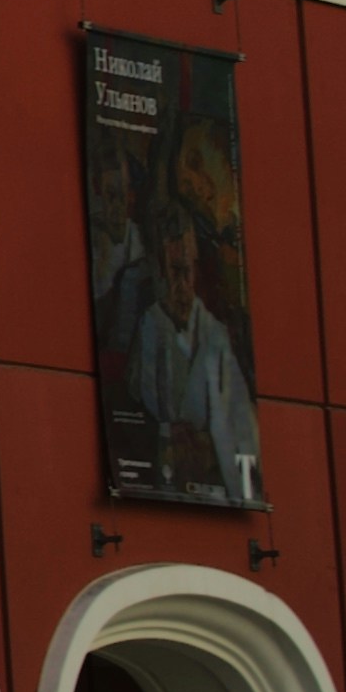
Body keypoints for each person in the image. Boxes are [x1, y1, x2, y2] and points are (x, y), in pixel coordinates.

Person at [128, 199, 257, 509]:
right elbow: (137, 399)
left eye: (187, 272)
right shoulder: (150, 325)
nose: (181, 285)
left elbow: (240, 425)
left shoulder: (215, 335)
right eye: (173, 272)